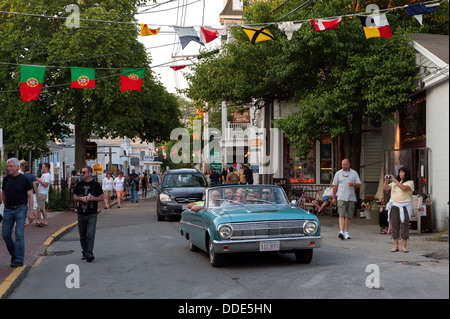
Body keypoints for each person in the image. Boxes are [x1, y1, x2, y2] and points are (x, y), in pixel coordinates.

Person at [1, 158, 34, 267]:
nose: (8, 168)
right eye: (8, 166)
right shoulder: (6, 179)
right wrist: (5, 204)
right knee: (5, 234)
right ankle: (14, 253)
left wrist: (31, 212)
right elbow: (4, 193)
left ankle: (19, 259)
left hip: (21, 209)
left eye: (10, 166)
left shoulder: (24, 180)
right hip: (8, 210)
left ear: (17, 167)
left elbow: (30, 196)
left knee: (19, 234)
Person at [73, 166, 103, 262]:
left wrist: (93, 199)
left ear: (89, 173)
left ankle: (90, 253)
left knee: (90, 234)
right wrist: (81, 199)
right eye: (81, 172)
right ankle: (85, 251)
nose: (82, 174)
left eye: (84, 172)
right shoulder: (79, 184)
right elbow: (74, 197)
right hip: (81, 212)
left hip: (92, 212)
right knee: (82, 234)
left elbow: (101, 197)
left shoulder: (96, 185)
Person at [383, 167, 414, 253]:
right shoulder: (395, 182)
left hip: (404, 206)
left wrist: (395, 180)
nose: (400, 174)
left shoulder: (410, 182)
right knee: (394, 225)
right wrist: (386, 180)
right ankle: (396, 246)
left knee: (404, 225)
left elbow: (404, 188)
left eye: (402, 172)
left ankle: (404, 246)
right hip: (394, 206)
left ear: (406, 173)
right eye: (399, 172)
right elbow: (385, 188)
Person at [332, 159, 361, 240]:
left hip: (351, 197)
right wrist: (334, 197)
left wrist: (353, 184)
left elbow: (359, 184)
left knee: (349, 215)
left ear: (349, 164)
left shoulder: (354, 173)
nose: (343, 166)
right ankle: (341, 231)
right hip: (341, 197)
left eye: (344, 164)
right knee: (341, 214)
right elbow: (335, 186)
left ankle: (346, 232)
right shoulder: (338, 173)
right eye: (342, 164)